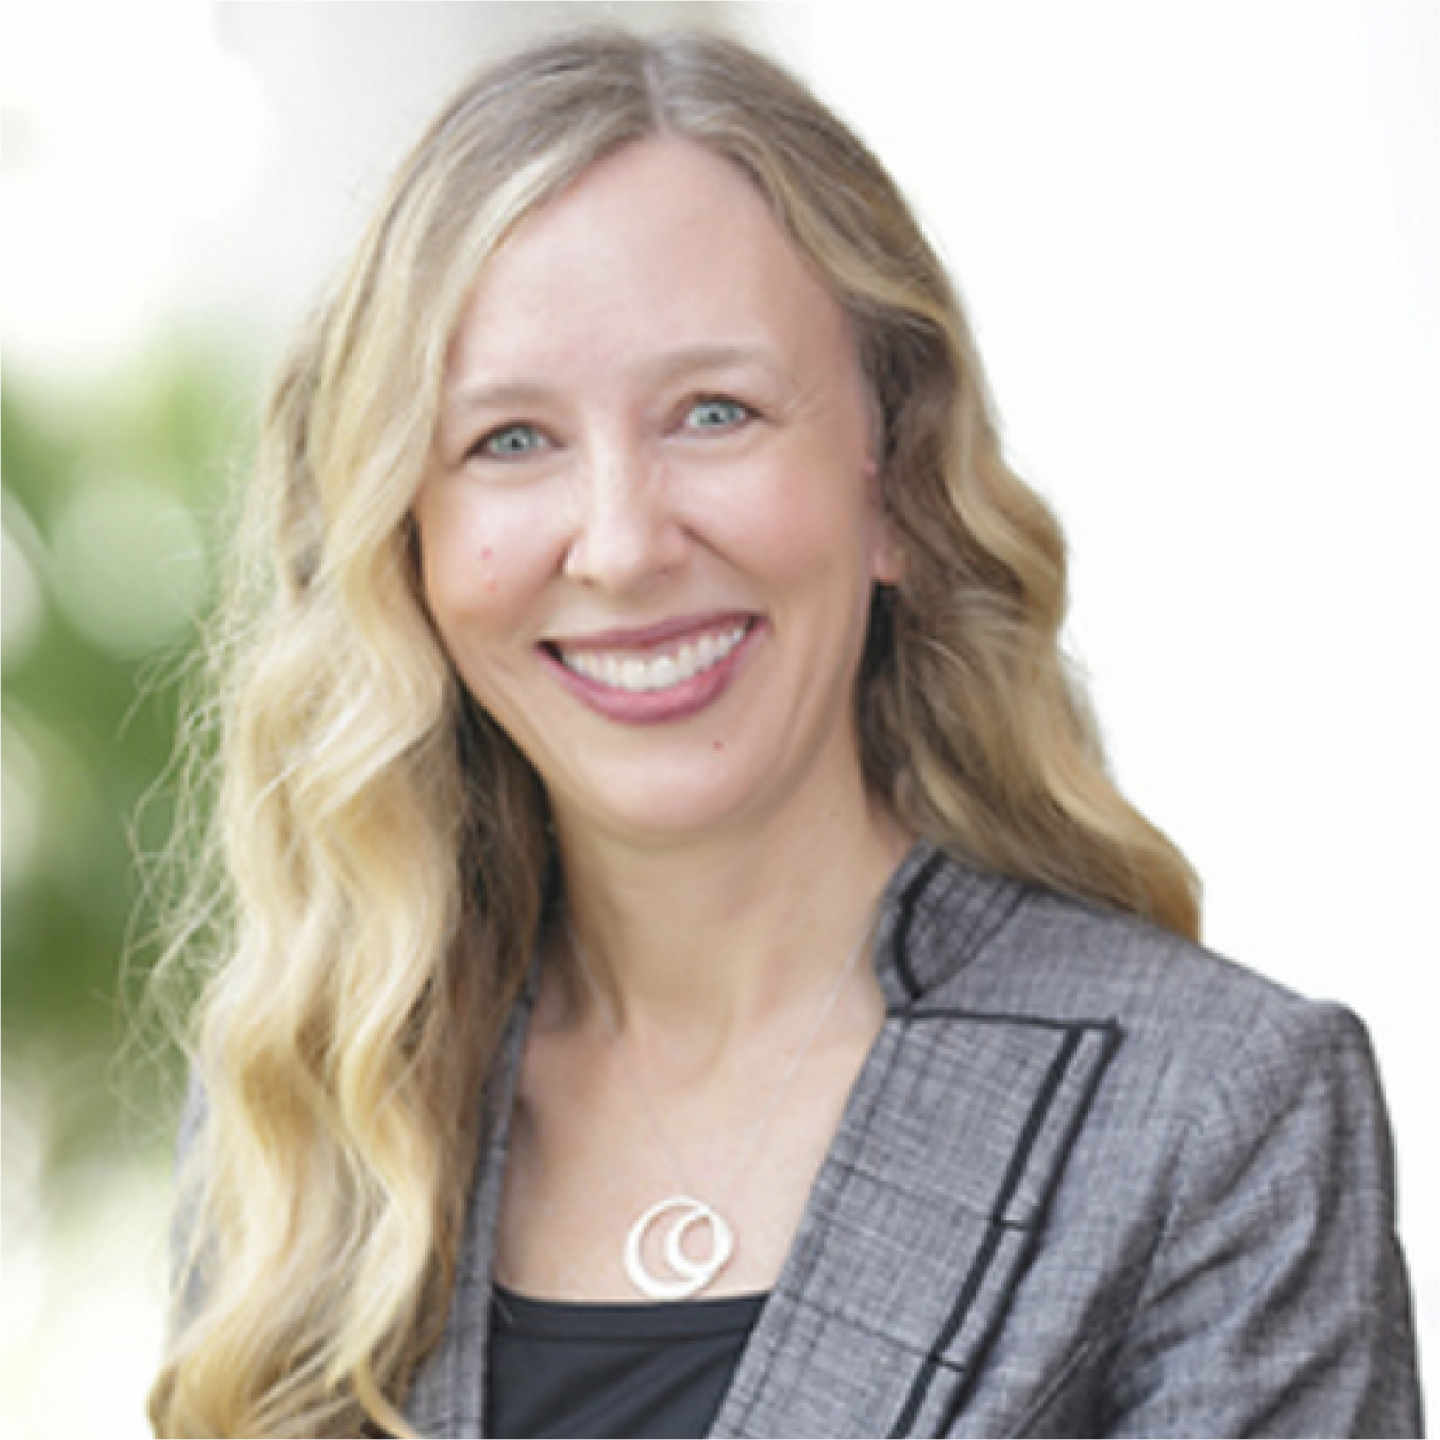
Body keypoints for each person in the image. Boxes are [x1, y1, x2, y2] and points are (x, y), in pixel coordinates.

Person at [146, 25, 1424, 1440]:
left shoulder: (1216, 1119)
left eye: (715, 412)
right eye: (509, 439)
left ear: (897, 487)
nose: (623, 546)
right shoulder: (318, 1113)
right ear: (411, 541)